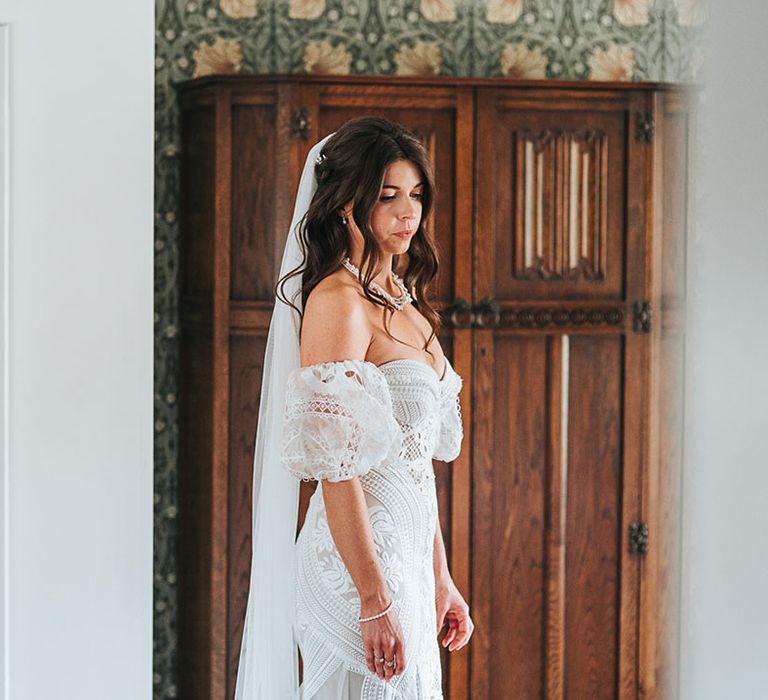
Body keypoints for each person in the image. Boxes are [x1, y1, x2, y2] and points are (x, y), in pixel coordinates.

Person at [234, 116, 473, 700]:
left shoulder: (406, 303)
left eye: (416, 195)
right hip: (355, 571)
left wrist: (440, 578)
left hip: (408, 567)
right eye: (387, 196)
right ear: (346, 204)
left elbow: (415, 469)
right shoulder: (337, 302)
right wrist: (372, 598)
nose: (407, 213)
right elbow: (335, 468)